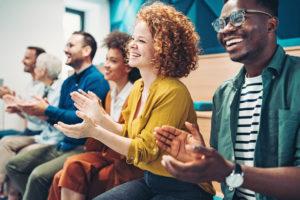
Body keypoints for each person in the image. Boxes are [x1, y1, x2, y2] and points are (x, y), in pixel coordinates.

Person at [55, 2, 214, 200]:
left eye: (141, 41)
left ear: (163, 48)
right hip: (150, 179)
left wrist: (95, 131)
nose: (131, 45)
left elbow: (144, 150)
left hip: (181, 185)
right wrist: (101, 118)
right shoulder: (138, 86)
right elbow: (129, 133)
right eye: (133, 39)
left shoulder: (173, 92)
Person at [155, 0, 300, 200]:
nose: (227, 29)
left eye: (238, 18)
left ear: (271, 24)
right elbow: (232, 178)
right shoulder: (224, 94)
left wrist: (230, 170)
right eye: (221, 23)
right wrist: (202, 160)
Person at [6, 31, 110, 200]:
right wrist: (39, 111)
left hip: (81, 147)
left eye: (70, 45)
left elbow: (83, 120)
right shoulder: (68, 82)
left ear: (86, 51)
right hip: (63, 143)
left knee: (38, 176)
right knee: (14, 165)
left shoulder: (96, 80)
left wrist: (46, 110)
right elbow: (60, 117)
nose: (65, 49)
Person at [47, 31, 143, 200]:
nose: (105, 65)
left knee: (70, 167)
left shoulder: (135, 94)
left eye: (113, 61)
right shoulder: (110, 95)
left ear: (128, 66)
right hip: (106, 152)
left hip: (124, 159)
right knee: (61, 175)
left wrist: (96, 122)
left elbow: (129, 136)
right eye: (106, 59)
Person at [0, 53, 64, 200]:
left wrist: (26, 109)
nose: (35, 68)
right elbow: (39, 120)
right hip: (43, 135)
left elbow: (49, 118)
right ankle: (8, 192)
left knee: (18, 157)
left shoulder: (60, 89)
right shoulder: (41, 88)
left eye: (38, 66)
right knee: (5, 142)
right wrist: (20, 110)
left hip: (54, 138)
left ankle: (16, 195)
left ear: (44, 70)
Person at [0, 46, 46, 138]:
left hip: (39, 133)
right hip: (28, 131)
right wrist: (10, 99)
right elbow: (26, 115)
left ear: (37, 62)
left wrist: (13, 100)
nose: (22, 61)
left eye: (27, 58)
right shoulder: (30, 85)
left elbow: (40, 117)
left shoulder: (45, 87)